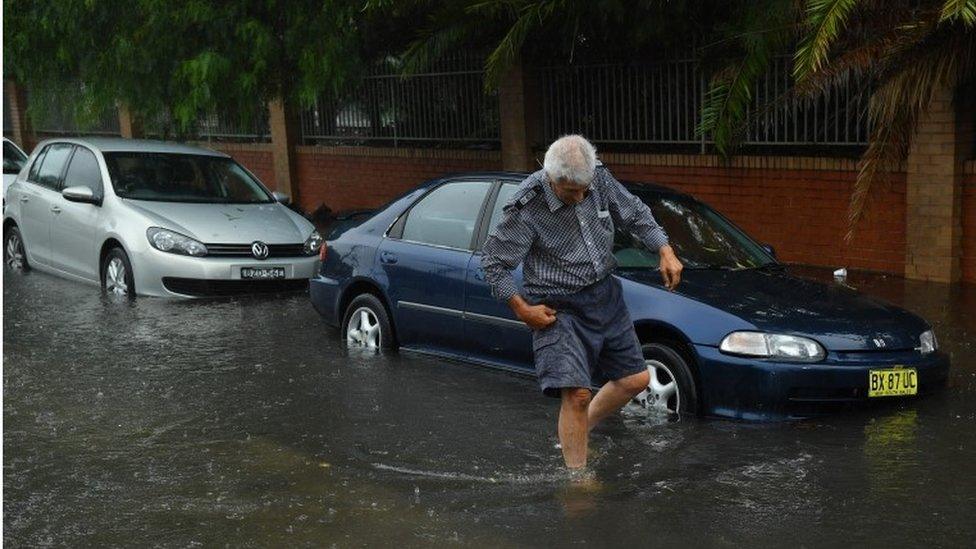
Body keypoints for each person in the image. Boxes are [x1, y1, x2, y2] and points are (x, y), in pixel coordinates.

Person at [481, 134, 683, 471]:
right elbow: (493, 262)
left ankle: (575, 431)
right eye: (570, 191)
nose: (580, 197)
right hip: (558, 307)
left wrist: (664, 248)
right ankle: (577, 482)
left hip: (605, 294)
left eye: (584, 189)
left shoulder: (597, 178)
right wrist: (522, 309)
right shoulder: (528, 205)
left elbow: (634, 214)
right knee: (576, 394)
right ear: (551, 177)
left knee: (636, 379)